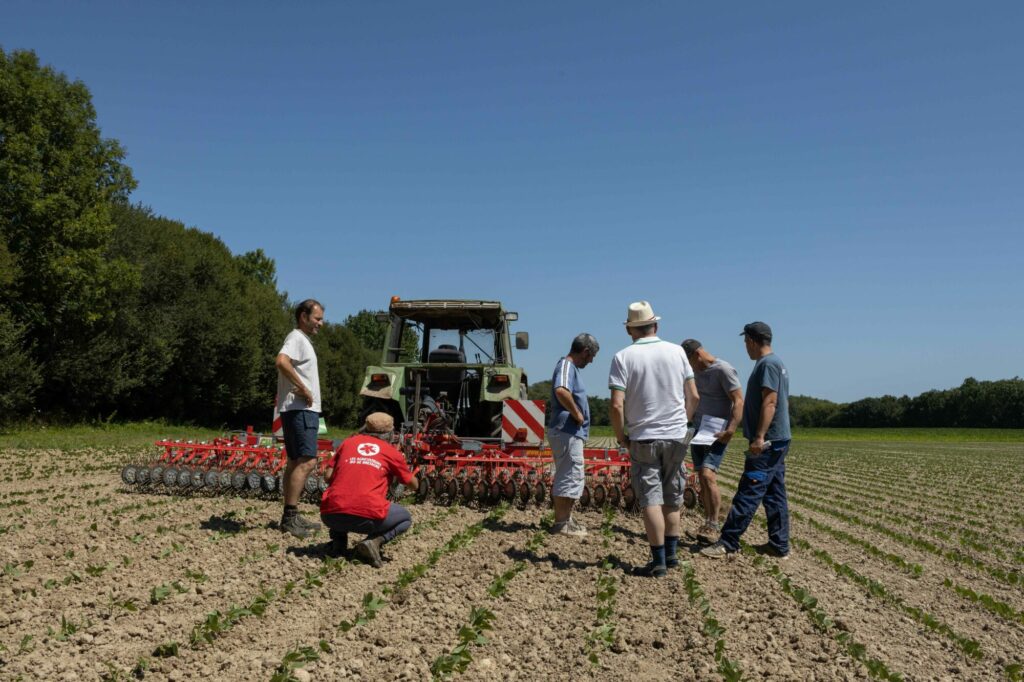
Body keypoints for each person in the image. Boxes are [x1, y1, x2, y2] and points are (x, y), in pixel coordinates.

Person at [609, 302, 699, 577]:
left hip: (644, 438)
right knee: (672, 496)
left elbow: (616, 404)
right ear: (655, 326)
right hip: (675, 436)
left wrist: (621, 435)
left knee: (651, 499)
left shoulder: (622, 357)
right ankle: (672, 557)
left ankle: (658, 562)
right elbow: (694, 396)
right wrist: (681, 422)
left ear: (629, 330)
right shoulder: (677, 352)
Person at [701, 321, 791, 559]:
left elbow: (770, 402)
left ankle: (728, 541)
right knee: (774, 494)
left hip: (768, 442)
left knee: (749, 490)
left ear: (751, 340)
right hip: (778, 440)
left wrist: (760, 436)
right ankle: (779, 545)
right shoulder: (775, 363)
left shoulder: (768, 365)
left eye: (745, 342)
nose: (745, 347)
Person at [320, 412, 418, 567]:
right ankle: (373, 542)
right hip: (366, 518)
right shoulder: (391, 452)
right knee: (405, 518)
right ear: (390, 433)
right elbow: (413, 485)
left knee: (341, 496)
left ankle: (338, 543)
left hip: (329, 516)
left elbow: (327, 476)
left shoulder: (347, 443)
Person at [681, 339, 744, 540]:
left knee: (708, 475)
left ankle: (715, 525)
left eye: (689, 361)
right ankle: (707, 523)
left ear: (697, 355)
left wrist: (731, 430)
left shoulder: (723, 370)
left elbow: (738, 400)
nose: (689, 366)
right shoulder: (693, 372)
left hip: (717, 433)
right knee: (701, 476)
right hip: (699, 432)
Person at [276, 298, 325, 538]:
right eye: (317, 318)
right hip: (301, 410)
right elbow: (281, 362)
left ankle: (291, 516)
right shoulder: (296, 338)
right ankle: (290, 517)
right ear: (303, 317)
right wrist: (305, 390)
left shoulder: (301, 340)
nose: (321, 323)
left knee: (296, 461)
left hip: (296, 410)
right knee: (307, 461)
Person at [547, 333, 600, 537]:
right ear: (585, 351)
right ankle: (561, 523)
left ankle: (566, 520)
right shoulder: (566, 366)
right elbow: (561, 390)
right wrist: (577, 414)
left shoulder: (570, 368)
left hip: (570, 432)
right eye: (591, 356)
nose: (592, 360)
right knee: (568, 475)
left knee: (572, 474)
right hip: (566, 430)